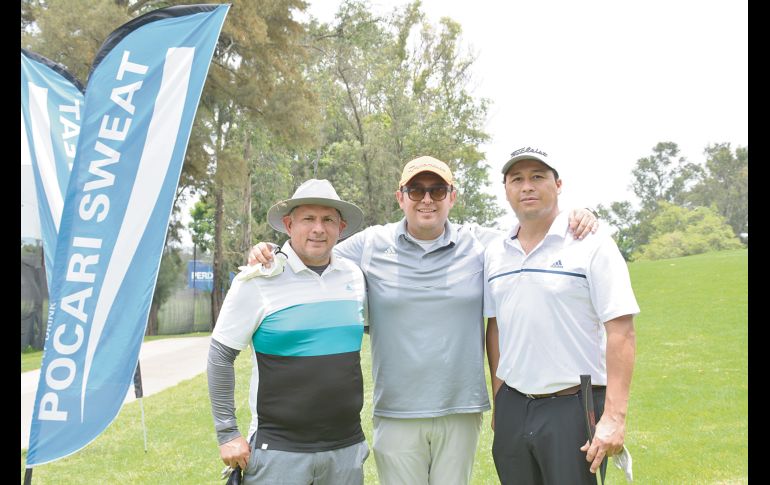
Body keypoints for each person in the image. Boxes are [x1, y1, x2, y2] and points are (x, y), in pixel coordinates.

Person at [248, 156, 599, 484]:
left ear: (452, 197)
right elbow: (312, 248)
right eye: (416, 190)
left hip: (460, 410)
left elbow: (535, 229)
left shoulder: (481, 245)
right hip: (396, 412)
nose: (427, 199)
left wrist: (579, 215)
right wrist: (270, 252)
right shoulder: (371, 244)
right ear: (400, 197)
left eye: (438, 190)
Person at [484, 147, 638, 484]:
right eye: (517, 179)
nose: (527, 186)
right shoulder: (495, 252)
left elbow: (621, 330)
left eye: (537, 177)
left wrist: (614, 417)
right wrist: (499, 399)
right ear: (506, 189)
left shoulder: (592, 243)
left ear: (558, 184)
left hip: (573, 406)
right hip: (513, 406)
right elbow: (495, 328)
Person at [207, 178, 370, 485]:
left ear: (341, 227)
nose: (318, 229)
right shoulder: (257, 279)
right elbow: (220, 355)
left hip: (345, 448)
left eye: (328, 220)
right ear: (288, 224)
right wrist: (227, 432)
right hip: (278, 451)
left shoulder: (354, 276)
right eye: (308, 218)